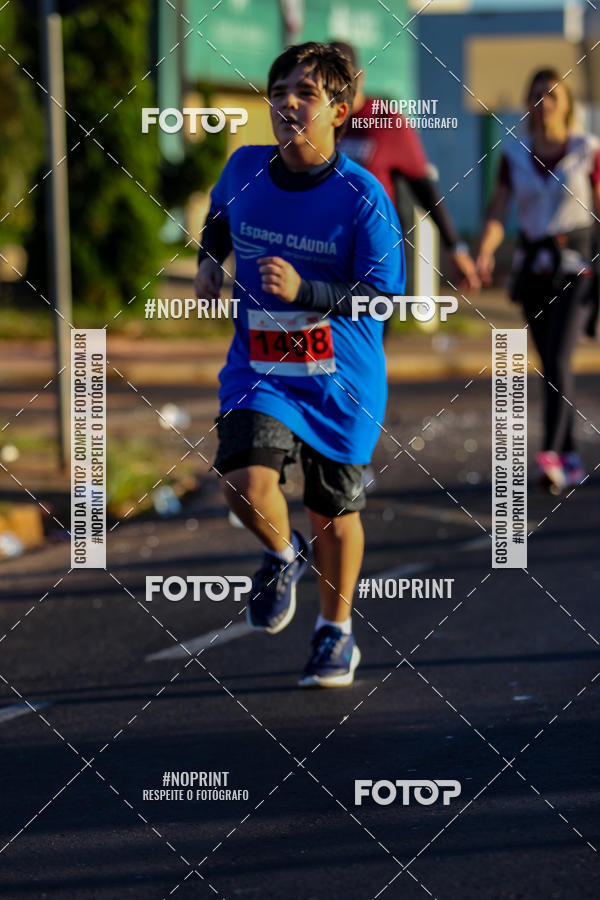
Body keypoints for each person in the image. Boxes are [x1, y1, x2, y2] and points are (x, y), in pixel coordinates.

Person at [194, 42, 405, 687]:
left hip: (340, 381)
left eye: (305, 93)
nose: (288, 103)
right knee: (241, 481)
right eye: (279, 91)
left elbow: (383, 298)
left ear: (339, 111)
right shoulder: (244, 167)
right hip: (260, 369)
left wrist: (306, 292)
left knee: (332, 515)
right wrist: (209, 262)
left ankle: (335, 631)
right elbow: (219, 216)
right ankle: (282, 554)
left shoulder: (363, 196)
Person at [477, 68, 600, 492]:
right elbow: (498, 210)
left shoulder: (587, 150)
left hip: (577, 268)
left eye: (552, 95)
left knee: (561, 358)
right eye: (535, 95)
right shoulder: (513, 155)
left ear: (567, 105)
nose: (543, 103)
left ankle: (552, 454)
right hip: (533, 271)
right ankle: (570, 455)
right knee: (549, 363)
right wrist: (485, 250)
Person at [332, 41, 479, 293]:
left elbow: (424, 188)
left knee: (367, 317)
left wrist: (455, 247)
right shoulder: (320, 123)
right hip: (328, 245)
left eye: (343, 76)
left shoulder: (386, 120)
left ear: (359, 76)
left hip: (374, 248)